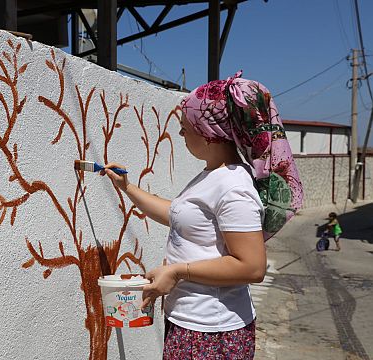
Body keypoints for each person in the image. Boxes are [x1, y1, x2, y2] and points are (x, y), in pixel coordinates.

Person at [102, 71, 303, 359]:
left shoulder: (233, 187)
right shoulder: (214, 175)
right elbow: (179, 215)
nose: (181, 134)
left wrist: (176, 271)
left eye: (186, 127)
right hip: (193, 325)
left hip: (211, 334)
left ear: (210, 134)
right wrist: (127, 188)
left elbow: (252, 267)